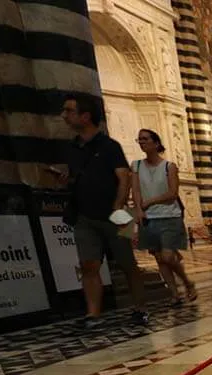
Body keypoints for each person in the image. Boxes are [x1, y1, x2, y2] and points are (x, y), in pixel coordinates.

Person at [58, 94, 148, 329]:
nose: (64, 116)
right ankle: (93, 314)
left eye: (69, 111)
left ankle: (140, 308)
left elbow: (123, 177)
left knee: (127, 263)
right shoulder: (71, 148)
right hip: (84, 215)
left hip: (116, 214)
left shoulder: (109, 146)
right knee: (88, 265)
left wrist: (118, 207)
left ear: (85, 116)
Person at [130, 128, 196, 307]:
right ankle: (174, 294)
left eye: (145, 139)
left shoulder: (169, 167)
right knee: (159, 259)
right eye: (139, 140)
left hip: (169, 216)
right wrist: (138, 209)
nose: (142, 142)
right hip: (149, 218)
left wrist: (149, 202)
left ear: (156, 143)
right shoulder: (135, 166)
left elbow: (172, 193)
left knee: (167, 256)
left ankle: (187, 282)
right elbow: (135, 189)